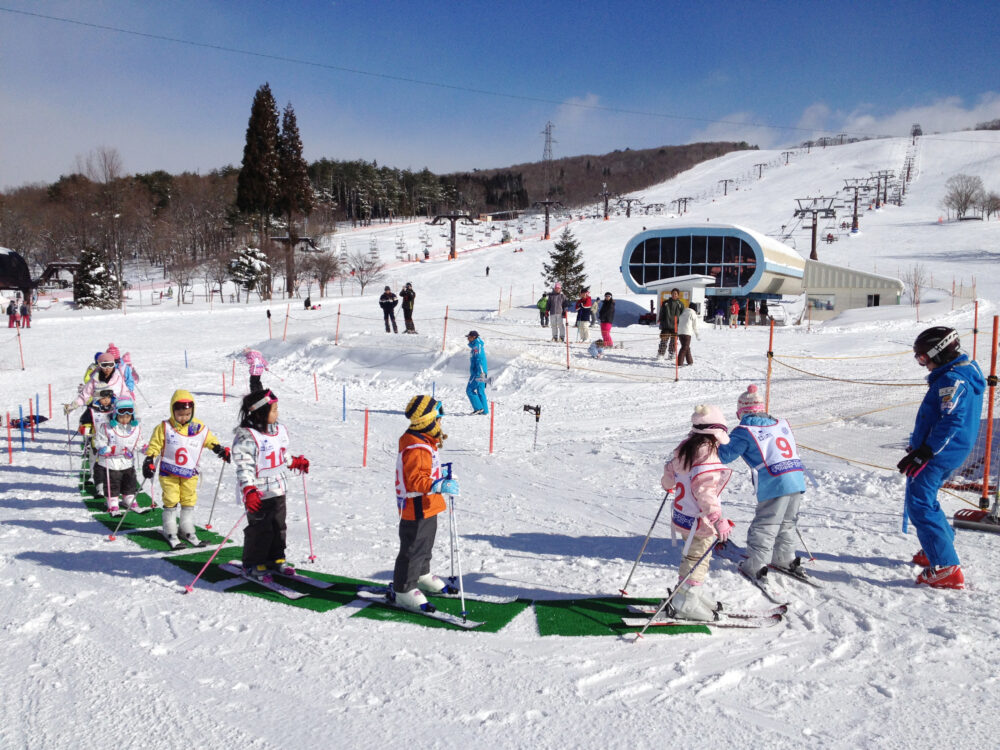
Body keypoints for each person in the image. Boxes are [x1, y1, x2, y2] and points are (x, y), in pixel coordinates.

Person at [898, 326, 985, 589]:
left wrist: (926, 451)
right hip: (949, 450)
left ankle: (946, 566)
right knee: (925, 499)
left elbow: (952, 420)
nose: (922, 363)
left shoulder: (952, 380)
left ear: (939, 352)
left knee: (919, 504)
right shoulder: (961, 373)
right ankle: (938, 546)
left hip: (939, 453)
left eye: (923, 357)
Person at [717, 385, 807, 592]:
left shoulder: (745, 430)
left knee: (766, 524)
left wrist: (718, 439)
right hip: (795, 478)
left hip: (775, 481)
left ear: (741, 411)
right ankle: (785, 557)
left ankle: (756, 564)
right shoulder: (780, 423)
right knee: (787, 521)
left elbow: (725, 456)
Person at [659, 405, 734, 621]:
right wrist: (718, 520)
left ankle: (693, 592)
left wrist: (668, 484)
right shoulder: (707, 455)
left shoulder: (685, 449)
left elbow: (669, 472)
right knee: (697, 558)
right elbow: (705, 492)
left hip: (682, 516)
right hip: (698, 521)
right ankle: (686, 601)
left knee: (694, 556)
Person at [232, 389, 310, 581]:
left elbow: (281, 454)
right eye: (273, 410)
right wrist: (249, 489)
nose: (277, 414)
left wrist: (294, 462)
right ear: (259, 412)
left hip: (278, 488)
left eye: (277, 409)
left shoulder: (278, 430)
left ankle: (276, 558)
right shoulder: (247, 437)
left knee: (278, 526)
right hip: (258, 493)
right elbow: (244, 466)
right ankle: (253, 563)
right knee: (260, 529)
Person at [390, 395, 459, 612]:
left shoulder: (425, 441)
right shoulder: (416, 446)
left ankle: (422, 575)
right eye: (438, 418)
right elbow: (415, 481)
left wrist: (444, 478)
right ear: (427, 421)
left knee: (426, 543)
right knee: (413, 547)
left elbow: (429, 471)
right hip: (416, 506)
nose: (441, 422)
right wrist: (439, 485)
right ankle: (404, 589)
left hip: (429, 504)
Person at [142, 390, 231, 549]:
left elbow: (209, 440)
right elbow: (155, 445)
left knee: (189, 498)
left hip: (189, 472)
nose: (184, 417)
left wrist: (219, 449)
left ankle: (186, 527)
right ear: (172, 411)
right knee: (171, 498)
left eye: (187, 414)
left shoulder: (198, 427)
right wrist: (149, 459)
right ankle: (170, 528)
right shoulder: (164, 427)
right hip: (169, 472)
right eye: (180, 414)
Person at [92, 398, 142, 515]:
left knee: (129, 479)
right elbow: (99, 440)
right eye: (121, 417)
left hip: (127, 461)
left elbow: (138, 442)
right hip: (112, 461)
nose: (124, 420)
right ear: (115, 415)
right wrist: (103, 447)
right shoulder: (107, 427)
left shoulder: (134, 428)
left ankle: (128, 497)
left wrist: (145, 448)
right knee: (113, 481)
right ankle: (112, 500)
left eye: (127, 417)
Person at [65, 350, 132, 416]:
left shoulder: (118, 378)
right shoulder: (95, 379)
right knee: (86, 422)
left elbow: (125, 393)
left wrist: (128, 405)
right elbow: (85, 394)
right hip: (97, 409)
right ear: (100, 365)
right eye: (104, 365)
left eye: (110, 365)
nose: (107, 368)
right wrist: (74, 405)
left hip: (114, 410)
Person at [465, 331, 489, 415]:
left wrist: (481, 373)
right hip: (482, 372)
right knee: (480, 391)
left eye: (469, 337)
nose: (467, 338)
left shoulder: (476, 346)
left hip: (478, 373)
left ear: (474, 337)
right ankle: (484, 411)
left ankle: (478, 408)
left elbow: (479, 359)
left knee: (469, 390)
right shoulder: (477, 345)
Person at [657, 288, 684, 359]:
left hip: (675, 326)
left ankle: (671, 354)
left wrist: (681, 325)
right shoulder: (666, 303)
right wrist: (661, 322)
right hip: (666, 325)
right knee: (664, 340)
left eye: (676, 294)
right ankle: (661, 354)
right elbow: (661, 313)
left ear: (678, 295)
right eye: (673, 293)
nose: (674, 295)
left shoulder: (680, 304)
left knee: (673, 342)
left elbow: (682, 315)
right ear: (671, 294)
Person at [676, 301, 701, 366]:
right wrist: (697, 334)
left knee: (686, 347)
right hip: (687, 333)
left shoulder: (683, 313)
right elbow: (695, 326)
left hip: (680, 332)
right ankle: (679, 363)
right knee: (684, 347)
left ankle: (690, 361)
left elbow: (679, 322)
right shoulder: (693, 314)